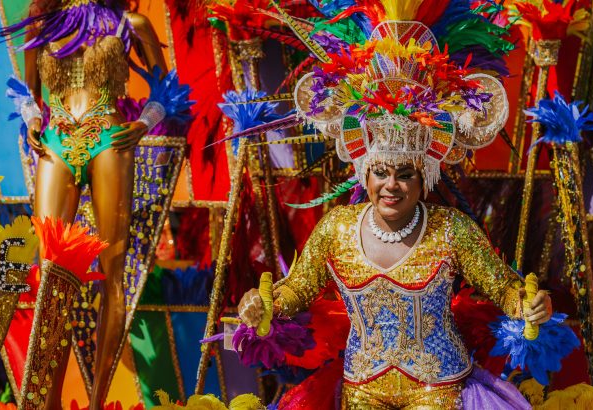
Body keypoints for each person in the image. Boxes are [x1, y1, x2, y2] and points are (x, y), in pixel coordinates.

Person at [232, 3, 554, 406]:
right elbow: (299, 288)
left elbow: (501, 286)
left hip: (438, 389)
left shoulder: (452, 230)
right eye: (381, 172)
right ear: (364, 174)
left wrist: (527, 304)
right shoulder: (337, 229)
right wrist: (263, 303)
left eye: (405, 174)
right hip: (361, 387)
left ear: (424, 180)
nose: (392, 185)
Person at [0, 0, 168, 407]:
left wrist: (145, 121)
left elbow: (166, 87)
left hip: (109, 141)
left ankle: (96, 401)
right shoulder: (42, 25)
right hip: (56, 143)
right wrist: (32, 119)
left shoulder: (130, 23)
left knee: (113, 272)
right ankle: (48, 399)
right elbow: (28, 92)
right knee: (51, 273)